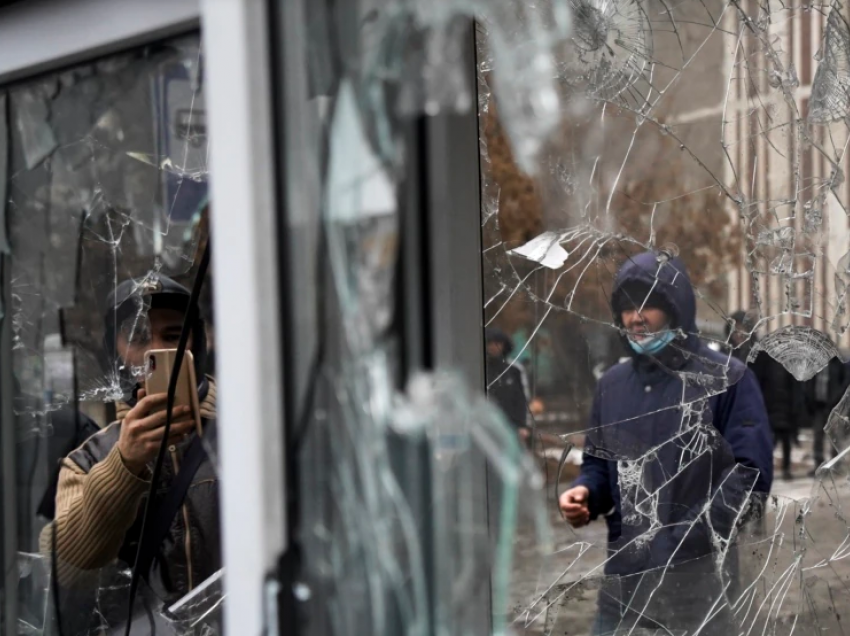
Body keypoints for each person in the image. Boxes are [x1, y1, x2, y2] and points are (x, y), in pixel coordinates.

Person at [559, 252, 773, 635]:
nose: (635, 317)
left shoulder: (727, 378)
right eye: (625, 308)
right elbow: (598, 465)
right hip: (624, 587)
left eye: (648, 304)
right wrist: (585, 493)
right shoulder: (612, 385)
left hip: (699, 590)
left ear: (676, 308)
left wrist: (681, 541)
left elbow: (748, 477)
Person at [40, 274, 219, 607]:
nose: (156, 350)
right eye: (138, 338)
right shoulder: (90, 457)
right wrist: (124, 465)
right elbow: (64, 569)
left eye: (174, 336)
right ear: (116, 352)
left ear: (197, 343)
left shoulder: (248, 432)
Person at [727, 310, 802, 481]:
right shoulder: (726, 354)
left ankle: (778, 470)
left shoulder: (761, 355)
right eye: (735, 330)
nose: (739, 334)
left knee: (768, 445)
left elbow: (774, 385)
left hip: (762, 410)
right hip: (733, 412)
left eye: (742, 329)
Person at [485, 327, 530, 434]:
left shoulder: (514, 370)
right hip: (485, 429)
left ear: (504, 344)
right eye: (489, 342)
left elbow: (522, 399)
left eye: (498, 342)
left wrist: (522, 425)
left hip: (512, 429)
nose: (493, 346)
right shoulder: (479, 369)